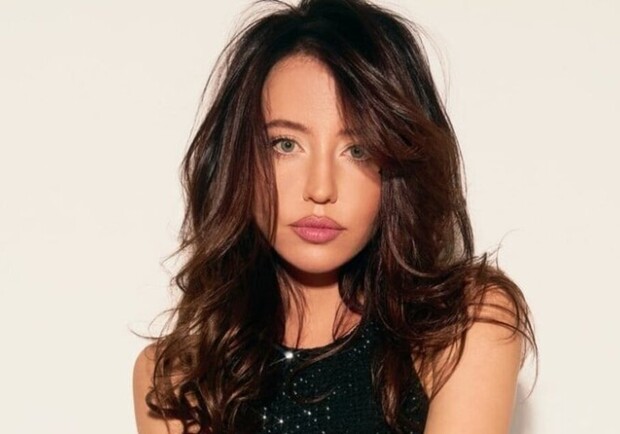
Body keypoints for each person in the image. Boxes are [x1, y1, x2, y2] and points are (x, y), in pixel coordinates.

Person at [132, 0, 538, 433]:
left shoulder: (464, 324)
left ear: (398, 168)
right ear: (237, 159)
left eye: (358, 150)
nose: (321, 189)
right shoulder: (177, 379)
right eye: (285, 145)